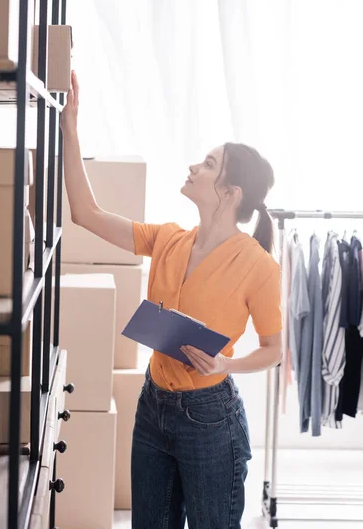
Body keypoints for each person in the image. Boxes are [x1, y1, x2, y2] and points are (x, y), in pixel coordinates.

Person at [61, 71, 282, 529]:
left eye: (207, 164)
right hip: (153, 406)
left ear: (230, 192)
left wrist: (226, 365)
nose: (193, 168)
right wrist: (70, 125)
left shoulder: (259, 266)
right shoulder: (167, 239)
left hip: (210, 421)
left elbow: (274, 350)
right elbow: (85, 213)